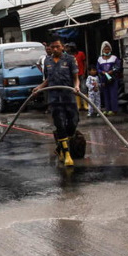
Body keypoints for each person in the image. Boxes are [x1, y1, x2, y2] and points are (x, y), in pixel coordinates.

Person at [32, 38, 80, 167]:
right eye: (52, 47)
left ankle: (59, 148)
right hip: (54, 98)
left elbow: (76, 78)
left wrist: (77, 87)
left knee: (73, 122)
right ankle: (66, 154)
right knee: (60, 125)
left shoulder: (70, 59)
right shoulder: (47, 61)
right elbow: (48, 79)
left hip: (68, 96)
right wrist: (39, 87)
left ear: (62, 47)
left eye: (57, 47)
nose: (55, 49)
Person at [96, 41, 121, 116]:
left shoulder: (114, 58)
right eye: (105, 49)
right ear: (102, 50)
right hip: (104, 79)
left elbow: (118, 66)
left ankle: (114, 110)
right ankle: (107, 109)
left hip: (113, 79)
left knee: (113, 94)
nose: (107, 51)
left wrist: (112, 71)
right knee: (106, 94)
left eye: (108, 49)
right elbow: (98, 68)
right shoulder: (100, 59)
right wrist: (102, 72)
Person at [66, 42, 88, 113]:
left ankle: (85, 105)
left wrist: (84, 72)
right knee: (75, 89)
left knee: (83, 88)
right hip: (73, 75)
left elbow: (85, 63)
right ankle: (78, 105)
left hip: (81, 73)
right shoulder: (68, 56)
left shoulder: (81, 53)